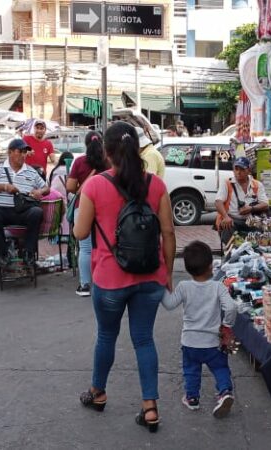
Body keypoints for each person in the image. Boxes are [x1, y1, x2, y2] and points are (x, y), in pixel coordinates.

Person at [73, 121, 176, 432]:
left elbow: (79, 232)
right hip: (150, 276)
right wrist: (168, 273)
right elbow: (169, 233)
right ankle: (150, 408)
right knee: (144, 339)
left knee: (107, 336)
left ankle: (98, 392)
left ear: (106, 152)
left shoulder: (94, 186)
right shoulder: (156, 184)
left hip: (109, 279)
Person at [160, 240, 236, 418]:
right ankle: (225, 392)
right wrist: (227, 326)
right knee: (220, 368)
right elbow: (231, 308)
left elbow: (169, 304)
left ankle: (192, 398)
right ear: (211, 266)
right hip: (212, 342)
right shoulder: (218, 287)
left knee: (191, 370)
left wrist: (161, 286)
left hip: (190, 342)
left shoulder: (184, 287)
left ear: (187, 269)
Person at [0, 138, 50, 265]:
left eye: (25, 152)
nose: (23, 155)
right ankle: (2, 253)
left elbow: (46, 188)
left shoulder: (31, 171)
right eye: (20, 151)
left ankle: (29, 252)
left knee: (37, 212)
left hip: (23, 211)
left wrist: (40, 191)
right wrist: (3, 187)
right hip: (2, 211)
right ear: (10, 152)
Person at [66, 132, 110, 297]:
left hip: (82, 206)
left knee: (85, 248)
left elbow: (70, 187)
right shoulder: (108, 162)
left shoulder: (79, 162)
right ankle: (103, 281)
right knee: (104, 244)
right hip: (105, 207)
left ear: (86, 144)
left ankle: (85, 285)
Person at [215, 157, 269, 243]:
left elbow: (265, 204)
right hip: (232, 219)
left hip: (250, 220)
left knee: (262, 231)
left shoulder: (257, 184)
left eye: (242, 169)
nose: (238, 172)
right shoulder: (227, 183)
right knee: (228, 227)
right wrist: (225, 217)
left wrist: (251, 209)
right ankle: (232, 251)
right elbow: (218, 202)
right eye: (236, 169)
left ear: (248, 170)